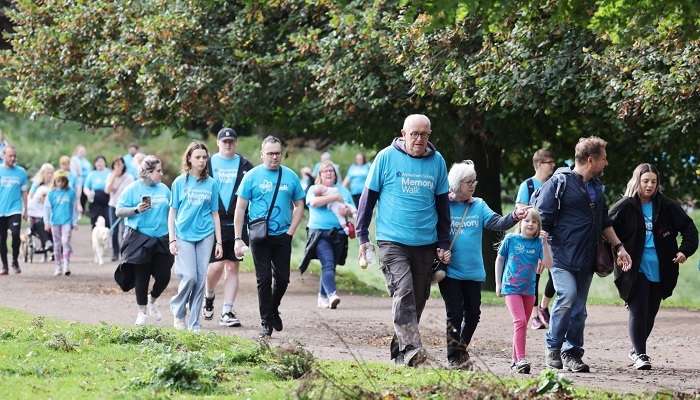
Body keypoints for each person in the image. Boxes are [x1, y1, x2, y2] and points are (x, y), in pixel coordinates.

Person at [355, 114, 451, 367]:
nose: (419, 139)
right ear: (404, 133)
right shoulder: (386, 157)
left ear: (429, 135)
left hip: (425, 242)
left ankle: (400, 353)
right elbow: (367, 199)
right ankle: (411, 347)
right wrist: (362, 236)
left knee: (418, 298)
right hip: (392, 240)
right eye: (414, 134)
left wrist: (444, 241)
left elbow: (443, 206)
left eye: (424, 134)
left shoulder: (437, 161)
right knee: (404, 290)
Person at [534, 136, 632, 373]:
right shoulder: (559, 183)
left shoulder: (597, 187)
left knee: (579, 309)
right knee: (567, 297)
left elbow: (604, 221)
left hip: (587, 257)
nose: (606, 164)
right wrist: (539, 253)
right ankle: (553, 346)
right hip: (561, 256)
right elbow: (542, 220)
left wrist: (619, 247)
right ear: (591, 160)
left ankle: (573, 353)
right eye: (604, 159)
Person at [608, 163, 698, 370]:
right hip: (634, 267)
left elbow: (690, 229)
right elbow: (607, 230)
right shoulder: (625, 206)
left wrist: (684, 251)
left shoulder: (666, 206)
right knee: (639, 309)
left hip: (661, 267)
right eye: (645, 181)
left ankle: (635, 349)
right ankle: (641, 354)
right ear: (637, 181)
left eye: (653, 182)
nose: (649, 185)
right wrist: (617, 253)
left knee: (650, 312)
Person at [438, 160, 527, 370]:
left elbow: (496, 223)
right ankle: (454, 358)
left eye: (474, 181)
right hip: (450, 271)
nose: (473, 185)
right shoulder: (443, 205)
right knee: (455, 313)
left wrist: (515, 216)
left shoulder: (478, 204)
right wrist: (439, 250)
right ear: (457, 183)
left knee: (473, 315)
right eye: (469, 182)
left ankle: (460, 351)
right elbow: (432, 231)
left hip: (473, 271)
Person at [233, 136, 305, 338]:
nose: (275, 157)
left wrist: (290, 231)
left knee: (282, 279)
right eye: (270, 153)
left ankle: (273, 308)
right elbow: (240, 209)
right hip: (259, 236)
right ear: (262, 154)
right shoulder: (252, 177)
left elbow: (300, 205)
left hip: (283, 235)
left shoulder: (290, 176)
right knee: (263, 279)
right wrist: (238, 238)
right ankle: (266, 322)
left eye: (278, 153)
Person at [202, 128, 254, 328]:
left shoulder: (245, 165)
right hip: (213, 222)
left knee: (232, 266)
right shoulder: (207, 163)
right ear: (217, 143)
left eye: (231, 141)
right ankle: (209, 294)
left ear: (236, 143)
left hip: (237, 223)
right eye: (224, 141)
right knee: (215, 266)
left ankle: (227, 310)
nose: (228, 144)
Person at [168, 141, 223, 331]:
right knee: (189, 276)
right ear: (189, 159)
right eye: (197, 157)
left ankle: (194, 323)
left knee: (200, 281)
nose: (201, 160)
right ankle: (178, 310)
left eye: (204, 157)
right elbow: (172, 213)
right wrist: (172, 239)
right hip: (183, 234)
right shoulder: (179, 182)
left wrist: (219, 242)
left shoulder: (212, 184)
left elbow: (215, 214)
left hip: (206, 234)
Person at [116, 156, 173, 326]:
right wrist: (135, 209)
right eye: (158, 171)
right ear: (148, 173)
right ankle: (141, 313)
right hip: (140, 238)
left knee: (164, 276)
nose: (161, 174)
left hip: (162, 238)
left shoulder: (164, 189)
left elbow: (173, 210)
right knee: (142, 276)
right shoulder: (133, 188)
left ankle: (152, 299)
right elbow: (119, 210)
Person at [496, 208, 553, 374]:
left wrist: (544, 244)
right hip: (510, 288)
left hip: (529, 291)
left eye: (535, 222)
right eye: (527, 221)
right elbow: (500, 260)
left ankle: (514, 361)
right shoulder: (511, 239)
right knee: (520, 321)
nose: (531, 224)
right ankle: (521, 359)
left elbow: (549, 264)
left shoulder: (537, 244)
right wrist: (498, 284)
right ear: (520, 223)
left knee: (522, 325)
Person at [300, 161, 355, 309]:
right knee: (328, 263)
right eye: (325, 171)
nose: (329, 173)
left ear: (335, 174)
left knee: (330, 266)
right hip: (319, 234)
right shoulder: (314, 189)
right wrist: (334, 197)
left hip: (338, 234)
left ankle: (322, 297)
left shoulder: (343, 191)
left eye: (331, 171)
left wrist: (347, 212)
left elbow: (353, 210)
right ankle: (332, 295)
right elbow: (313, 202)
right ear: (320, 175)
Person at [516, 149, 557, 330]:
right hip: (532, 237)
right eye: (550, 162)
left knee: (555, 274)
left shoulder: (554, 184)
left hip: (550, 237)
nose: (553, 165)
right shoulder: (528, 186)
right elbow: (520, 213)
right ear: (539, 164)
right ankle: (534, 315)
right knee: (533, 276)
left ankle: (544, 305)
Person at [44, 170, 79, 276]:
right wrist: (46, 222)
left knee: (65, 242)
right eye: (58, 181)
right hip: (55, 222)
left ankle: (66, 266)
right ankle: (58, 266)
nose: (60, 183)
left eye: (62, 181)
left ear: (66, 181)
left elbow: (74, 208)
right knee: (57, 244)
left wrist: (75, 221)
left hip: (67, 221)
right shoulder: (51, 193)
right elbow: (47, 209)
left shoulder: (71, 192)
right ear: (55, 181)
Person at [0, 145, 28, 275]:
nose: (12, 158)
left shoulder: (21, 172)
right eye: (10, 156)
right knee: (2, 239)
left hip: (15, 209)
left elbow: (24, 192)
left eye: (14, 156)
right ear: (3, 155)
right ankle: (4, 265)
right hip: (1, 209)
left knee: (16, 234)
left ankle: (15, 261)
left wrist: (26, 209)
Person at [105, 156, 134, 262]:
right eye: (116, 164)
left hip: (125, 207)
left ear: (123, 165)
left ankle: (124, 252)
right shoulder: (110, 176)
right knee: (114, 231)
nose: (118, 167)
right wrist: (113, 177)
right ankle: (114, 252)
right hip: (113, 205)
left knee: (124, 231)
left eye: (120, 164)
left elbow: (131, 191)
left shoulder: (129, 177)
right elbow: (107, 190)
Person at [83, 155, 111, 229]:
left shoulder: (110, 173)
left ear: (105, 162)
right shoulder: (92, 174)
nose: (99, 164)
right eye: (97, 162)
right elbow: (86, 187)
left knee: (107, 220)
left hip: (107, 198)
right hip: (95, 199)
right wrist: (88, 193)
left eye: (101, 162)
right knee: (95, 221)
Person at [26, 185, 53, 253]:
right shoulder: (33, 203)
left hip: (47, 225)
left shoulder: (50, 204)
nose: (45, 197)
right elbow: (30, 213)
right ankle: (47, 242)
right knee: (40, 222)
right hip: (35, 224)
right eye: (44, 195)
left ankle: (54, 246)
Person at [70, 145, 92, 212]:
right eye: (81, 151)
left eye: (83, 151)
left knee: (85, 196)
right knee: (79, 195)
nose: (82, 153)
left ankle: (84, 209)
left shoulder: (85, 161)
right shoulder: (75, 160)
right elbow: (74, 172)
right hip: (79, 181)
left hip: (86, 181)